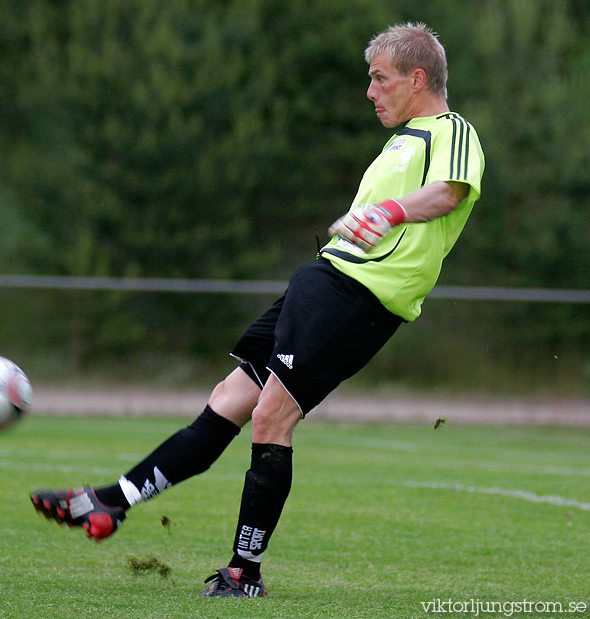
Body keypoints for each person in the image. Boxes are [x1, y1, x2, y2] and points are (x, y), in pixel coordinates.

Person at [30, 22, 484, 598]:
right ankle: (108, 502)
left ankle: (245, 573)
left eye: (379, 79)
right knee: (229, 400)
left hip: (357, 297)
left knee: (272, 418)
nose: (370, 91)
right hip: (322, 282)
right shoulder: (401, 141)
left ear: (418, 79)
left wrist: (390, 211)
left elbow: (449, 192)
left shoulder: (451, 129)